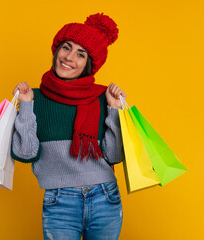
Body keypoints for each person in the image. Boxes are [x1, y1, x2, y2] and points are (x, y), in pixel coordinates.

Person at [11, 13, 127, 240]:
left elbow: (114, 156)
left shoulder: (102, 98)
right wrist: (25, 107)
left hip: (105, 197)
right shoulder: (34, 98)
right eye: (66, 47)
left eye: (80, 54)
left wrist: (114, 110)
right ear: (56, 50)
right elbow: (25, 154)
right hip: (59, 201)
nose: (70, 57)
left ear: (88, 65)